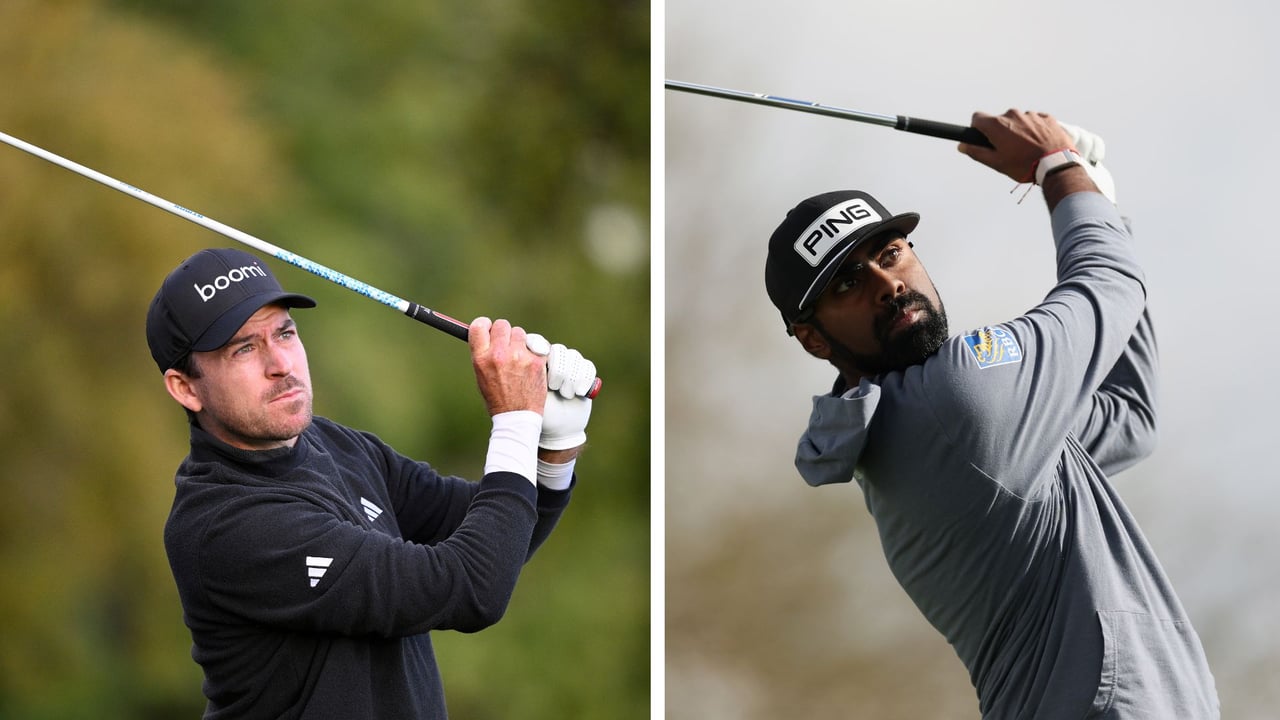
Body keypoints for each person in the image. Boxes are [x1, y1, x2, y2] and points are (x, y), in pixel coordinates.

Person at [763, 110, 1219, 718]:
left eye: (891, 253)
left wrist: (1099, 205)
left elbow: (1129, 420)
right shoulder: (956, 397)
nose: (887, 283)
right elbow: (1108, 281)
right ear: (814, 339)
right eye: (847, 283)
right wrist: (1060, 170)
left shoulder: (917, 430)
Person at [144, 247, 595, 719]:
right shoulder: (225, 524)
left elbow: (496, 536)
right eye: (244, 348)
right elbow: (473, 586)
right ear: (186, 387)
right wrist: (515, 420)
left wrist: (552, 448)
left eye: (285, 333)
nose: (281, 363)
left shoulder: (337, 445)